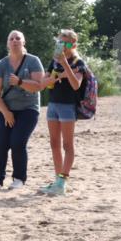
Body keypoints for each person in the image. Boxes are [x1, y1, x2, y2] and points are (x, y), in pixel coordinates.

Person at [0, 31, 47, 191]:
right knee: (0, 144)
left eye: (18, 38)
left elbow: (39, 86)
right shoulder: (2, 64)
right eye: (11, 39)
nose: (14, 41)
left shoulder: (33, 61)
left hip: (28, 109)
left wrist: (20, 82)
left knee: (17, 142)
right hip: (5, 108)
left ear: (23, 42)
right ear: (8, 43)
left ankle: (19, 178)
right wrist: (6, 112)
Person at [39, 29, 86, 196]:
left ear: (73, 44)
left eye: (65, 43)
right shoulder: (53, 62)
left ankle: (62, 181)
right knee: (54, 143)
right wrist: (50, 79)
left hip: (67, 106)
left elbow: (76, 85)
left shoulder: (78, 62)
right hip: (53, 105)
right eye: (60, 42)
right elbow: (42, 83)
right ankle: (57, 180)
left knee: (67, 145)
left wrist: (65, 64)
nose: (62, 46)